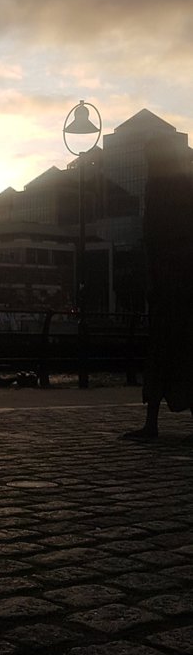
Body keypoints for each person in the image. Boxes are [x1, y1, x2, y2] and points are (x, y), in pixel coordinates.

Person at [124, 136, 193, 442]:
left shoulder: (161, 189)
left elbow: (154, 238)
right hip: (179, 287)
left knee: (164, 354)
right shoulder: (181, 186)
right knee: (182, 356)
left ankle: (151, 423)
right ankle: (155, 421)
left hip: (170, 287)